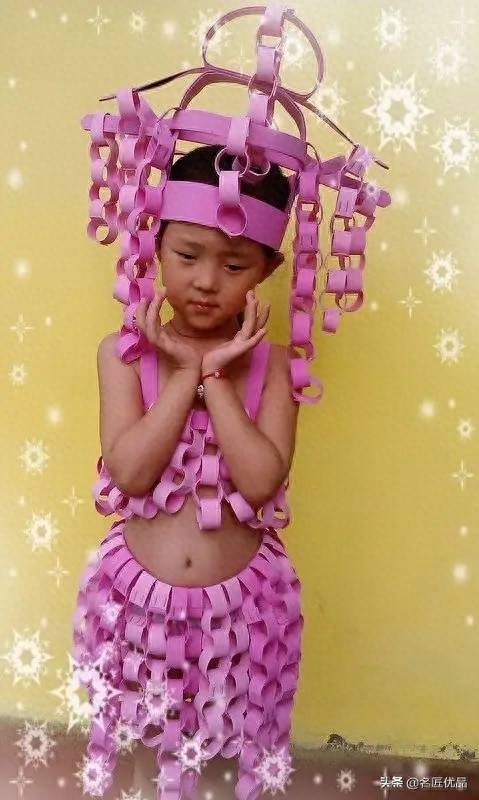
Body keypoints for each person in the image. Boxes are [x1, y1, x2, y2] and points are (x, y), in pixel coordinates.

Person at [73, 5, 390, 799]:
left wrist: (215, 376)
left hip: (240, 617)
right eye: (187, 255)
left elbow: (259, 480)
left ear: (267, 272)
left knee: (222, 759)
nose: (207, 281)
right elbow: (130, 472)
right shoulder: (122, 355)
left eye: (235, 264)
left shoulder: (273, 367)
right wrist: (180, 371)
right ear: (154, 244)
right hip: (137, 611)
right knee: (138, 755)